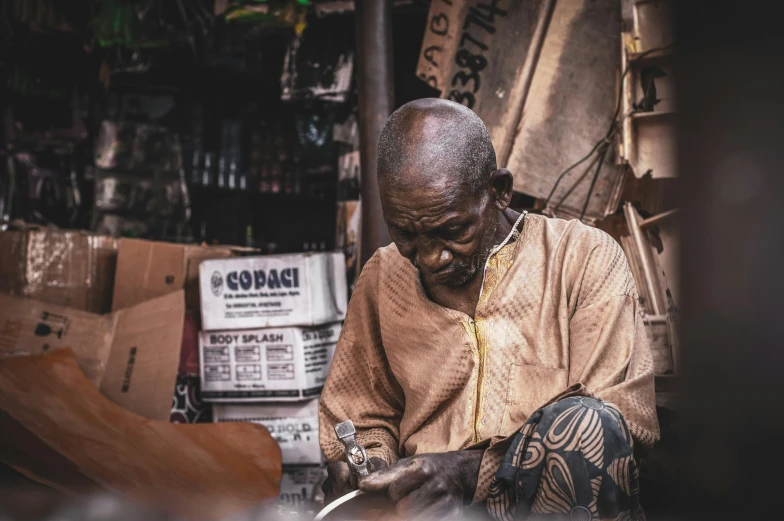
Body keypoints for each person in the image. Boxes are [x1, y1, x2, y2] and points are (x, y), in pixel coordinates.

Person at [319, 99, 659, 521]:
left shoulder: (583, 258)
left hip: (550, 509)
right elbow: (360, 416)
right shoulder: (383, 277)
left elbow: (618, 425)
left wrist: (470, 470)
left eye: (453, 230)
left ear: (499, 191)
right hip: (431, 513)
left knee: (585, 420)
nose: (430, 258)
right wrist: (366, 464)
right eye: (405, 232)